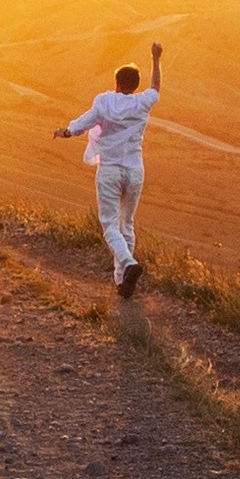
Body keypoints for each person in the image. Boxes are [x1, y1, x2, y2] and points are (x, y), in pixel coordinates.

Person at [53, 37, 163, 295]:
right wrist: (156, 58)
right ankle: (121, 282)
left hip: (111, 170)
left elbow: (83, 124)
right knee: (128, 224)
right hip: (135, 170)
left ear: (116, 83)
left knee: (110, 226)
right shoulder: (142, 102)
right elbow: (156, 86)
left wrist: (66, 132)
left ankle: (129, 264)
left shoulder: (104, 102)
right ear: (135, 86)